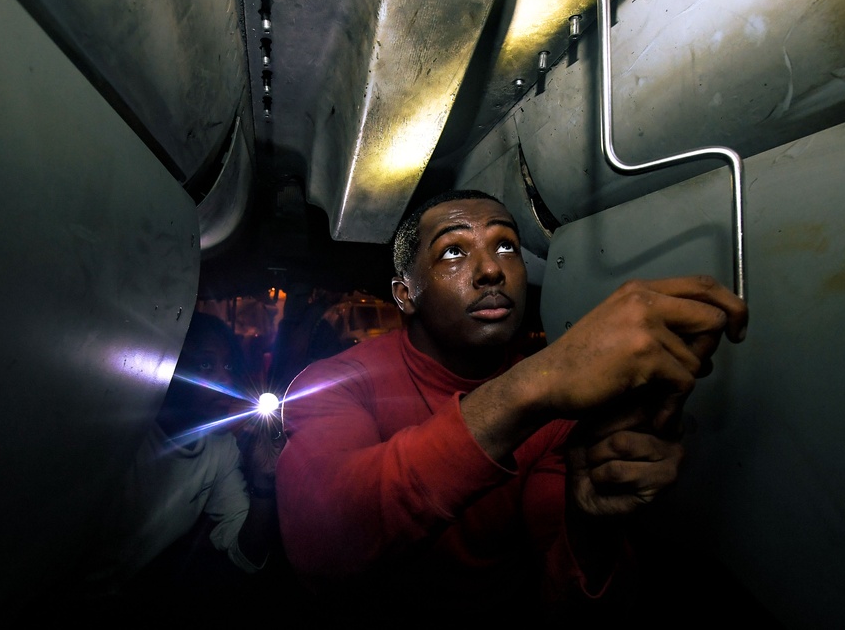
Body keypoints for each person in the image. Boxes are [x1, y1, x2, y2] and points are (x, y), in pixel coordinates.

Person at [274, 189, 749, 623]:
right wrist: (535, 383)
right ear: (405, 294)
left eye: (506, 246)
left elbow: (574, 604)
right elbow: (323, 545)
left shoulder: (559, 405)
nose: (491, 270)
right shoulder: (336, 382)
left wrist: (592, 524)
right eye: (453, 251)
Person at [68, 311, 285, 621]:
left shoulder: (221, 448)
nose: (225, 379)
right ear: (169, 367)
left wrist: (265, 483)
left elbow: (246, 557)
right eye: (206, 365)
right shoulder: (121, 438)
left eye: (229, 366)